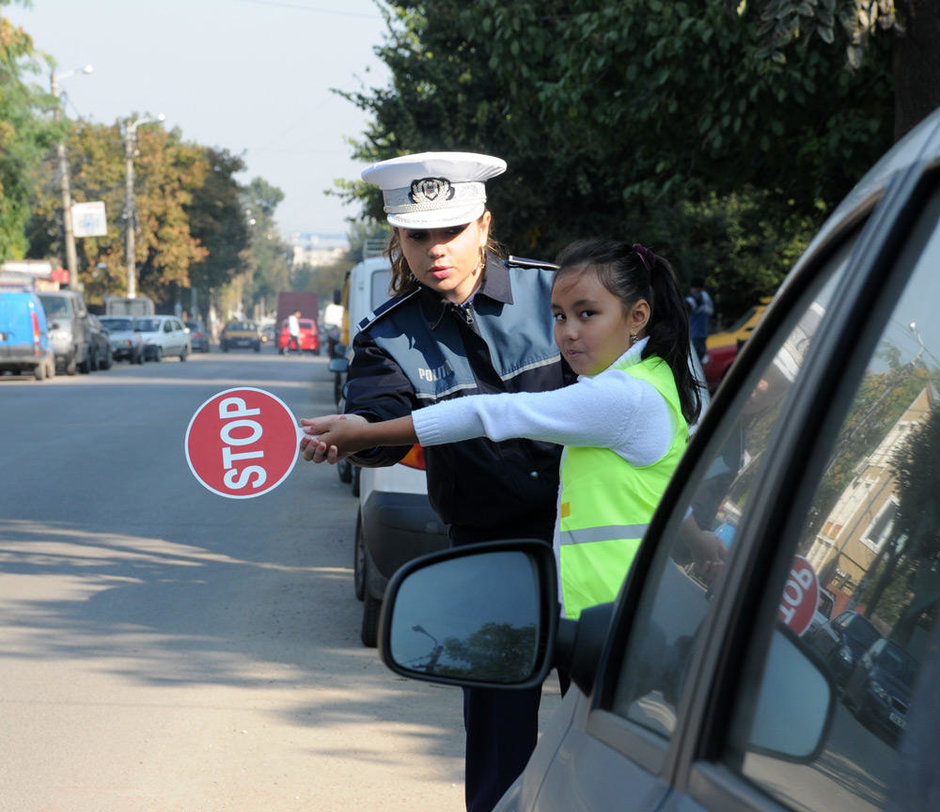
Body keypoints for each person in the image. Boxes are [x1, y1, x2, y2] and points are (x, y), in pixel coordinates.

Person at [299, 151, 574, 812]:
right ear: (399, 239)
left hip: (591, 541)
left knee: (611, 725)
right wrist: (354, 434)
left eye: (449, 231)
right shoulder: (386, 338)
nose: (434, 250)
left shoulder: (563, 296)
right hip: (489, 554)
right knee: (500, 745)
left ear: (484, 225)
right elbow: (378, 419)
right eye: (418, 235)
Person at [303, 237, 703, 621]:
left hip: (616, 613)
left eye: (587, 314)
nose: (568, 332)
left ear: (638, 316)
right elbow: (653, 490)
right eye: (559, 316)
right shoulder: (648, 376)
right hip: (607, 608)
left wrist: (364, 434)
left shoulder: (622, 397)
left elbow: (489, 414)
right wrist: (700, 541)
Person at [686, 276, 713, 364]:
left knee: (693, 364)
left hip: (694, 336)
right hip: (703, 334)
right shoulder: (706, 297)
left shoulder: (694, 298)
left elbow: (687, 305)